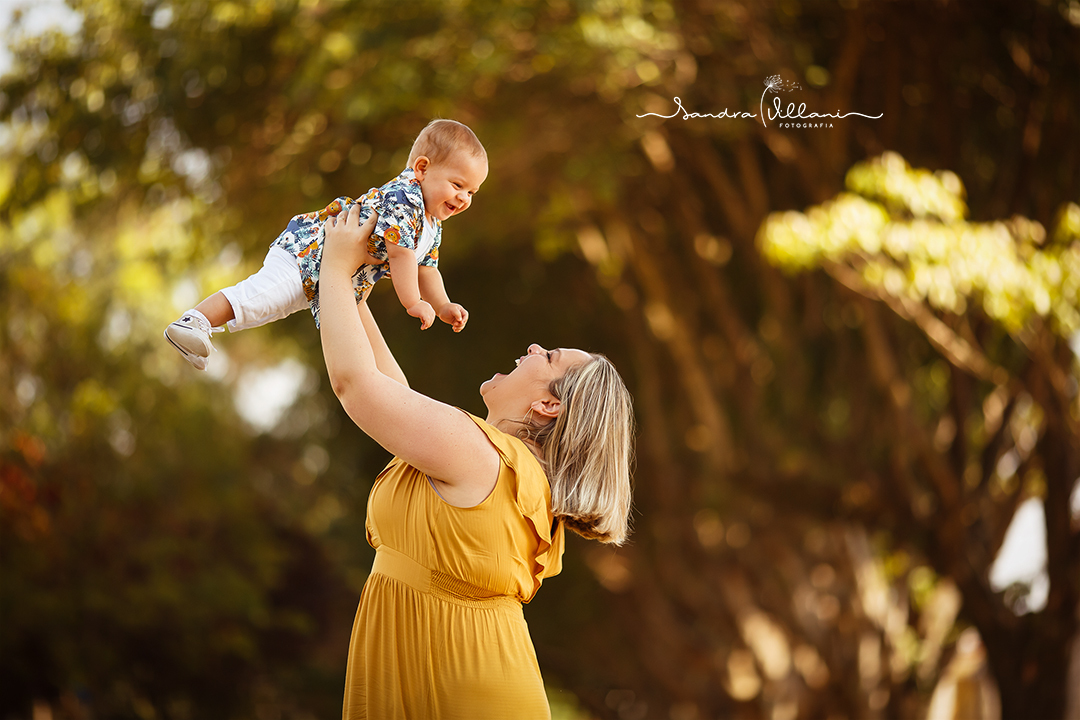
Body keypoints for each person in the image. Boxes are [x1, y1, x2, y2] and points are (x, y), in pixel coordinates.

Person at [319, 204, 635, 720]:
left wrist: (334, 267)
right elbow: (391, 392)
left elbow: (357, 387)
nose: (533, 347)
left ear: (548, 405)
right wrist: (351, 291)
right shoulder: (503, 467)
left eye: (548, 356)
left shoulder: (483, 456)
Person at [164, 119, 487, 370]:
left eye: (471, 192)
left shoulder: (431, 222)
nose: (463, 198)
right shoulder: (406, 199)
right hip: (309, 251)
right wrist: (412, 302)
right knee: (263, 296)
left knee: (271, 307)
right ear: (422, 168)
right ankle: (193, 322)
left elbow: (426, 268)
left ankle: (195, 338)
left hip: (328, 272)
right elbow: (401, 255)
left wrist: (443, 305)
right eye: (457, 185)